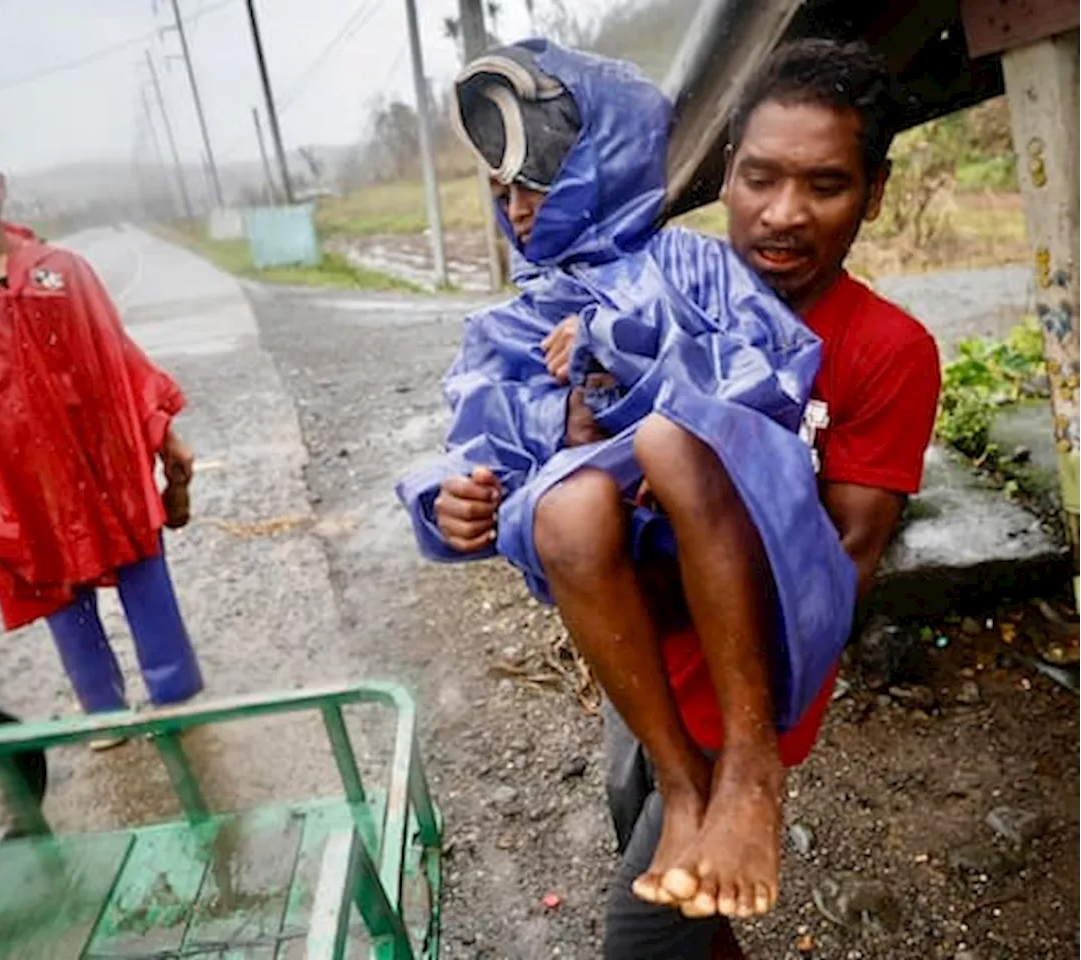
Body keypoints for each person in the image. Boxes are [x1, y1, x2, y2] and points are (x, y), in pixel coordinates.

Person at [400, 39, 940, 958]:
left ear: (875, 193)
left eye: (825, 185)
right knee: (653, 836)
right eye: (761, 177)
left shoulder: (884, 348)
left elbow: (842, 561)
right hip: (639, 651)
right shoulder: (652, 276)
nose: (783, 214)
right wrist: (448, 495)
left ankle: (739, 781)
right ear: (725, 173)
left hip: (750, 681)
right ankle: (691, 794)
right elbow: (489, 423)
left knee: (641, 936)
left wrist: (661, 410)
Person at [0, 96, 204, 741]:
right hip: (15, 476)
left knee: (142, 564)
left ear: (1, 179)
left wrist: (163, 431)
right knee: (56, 586)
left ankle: (176, 697)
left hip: (102, 456)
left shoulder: (62, 272)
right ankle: (102, 711)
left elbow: (118, 358)